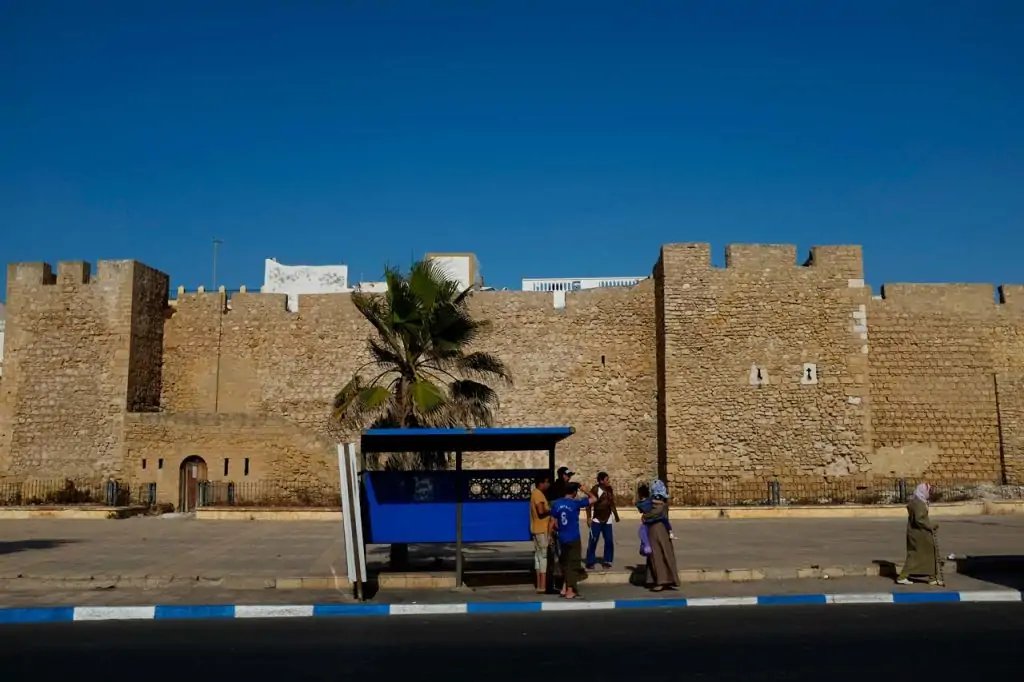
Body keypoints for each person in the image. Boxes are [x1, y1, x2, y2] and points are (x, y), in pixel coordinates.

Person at [550, 481, 597, 599]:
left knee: (565, 563)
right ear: (574, 492)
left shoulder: (556, 504)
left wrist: (550, 536)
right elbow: (594, 498)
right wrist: (583, 488)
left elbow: (553, 523)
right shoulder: (575, 504)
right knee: (574, 564)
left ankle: (564, 587)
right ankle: (570, 590)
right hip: (573, 537)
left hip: (562, 537)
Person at [896, 483, 944, 586]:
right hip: (918, 533)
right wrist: (931, 525)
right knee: (914, 555)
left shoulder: (919, 501)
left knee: (929, 553)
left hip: (921, 533)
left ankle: (932, 577)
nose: (930, 493)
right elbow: (919, 519)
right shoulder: (918, 503)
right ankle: (902, 576)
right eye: (928, 491)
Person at [641, 479, 679, 592]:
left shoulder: (659, 505)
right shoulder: (658, 504)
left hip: (657, 530)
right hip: (658, 531)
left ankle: (662, 581)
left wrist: (645, 516)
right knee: (661, 554)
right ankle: (662, 579)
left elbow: (652, 514)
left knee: (657, 556)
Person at [544, 466, 575, 593]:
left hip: (556, 527)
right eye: (568, 475)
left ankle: (559, 584)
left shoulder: (553, 487)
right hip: (562, 529)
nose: (569, 478)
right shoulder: (562, 489)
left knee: (556, 555)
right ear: (563, 475)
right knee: (562, 556)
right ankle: (561, 584)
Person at [585, 472, 620, 569]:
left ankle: (607, 560)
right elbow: (588, 505)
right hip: (597, 519)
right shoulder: (595, 490)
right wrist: (588, 518)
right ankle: (590, 561)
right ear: (601, 481)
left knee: (609, 540)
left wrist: (615, 515)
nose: (608, 481)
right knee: (593, 540)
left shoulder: (609, 489)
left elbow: (611, 503)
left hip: (607, 518)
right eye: (606, 479)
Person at [529, 474, 552, 594]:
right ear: (541, 483)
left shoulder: (536, 493)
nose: (548, 484)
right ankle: (542, 585)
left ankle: (539, 584)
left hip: (536, 529)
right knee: (543, 557)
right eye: (546, 482)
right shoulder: (538, 494)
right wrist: (551, 510)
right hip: (542, 530)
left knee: (538, 557)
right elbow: (541, 510)